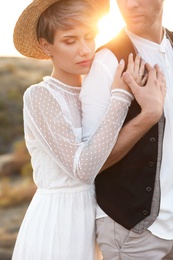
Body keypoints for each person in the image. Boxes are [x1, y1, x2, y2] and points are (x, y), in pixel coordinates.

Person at [11, 0, 156, 259]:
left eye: (90, 37)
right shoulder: (40, 96)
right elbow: (84, 170)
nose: (86, 50)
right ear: (47, 46)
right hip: (57, 224)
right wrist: (121, 97)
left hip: (96, 220)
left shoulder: (95, 91)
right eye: (70, 41)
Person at [80, 0, 173, 259]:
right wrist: (148, 115)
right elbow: (92, 162)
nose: (130, 4)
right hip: (132, 230)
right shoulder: (107, 60)